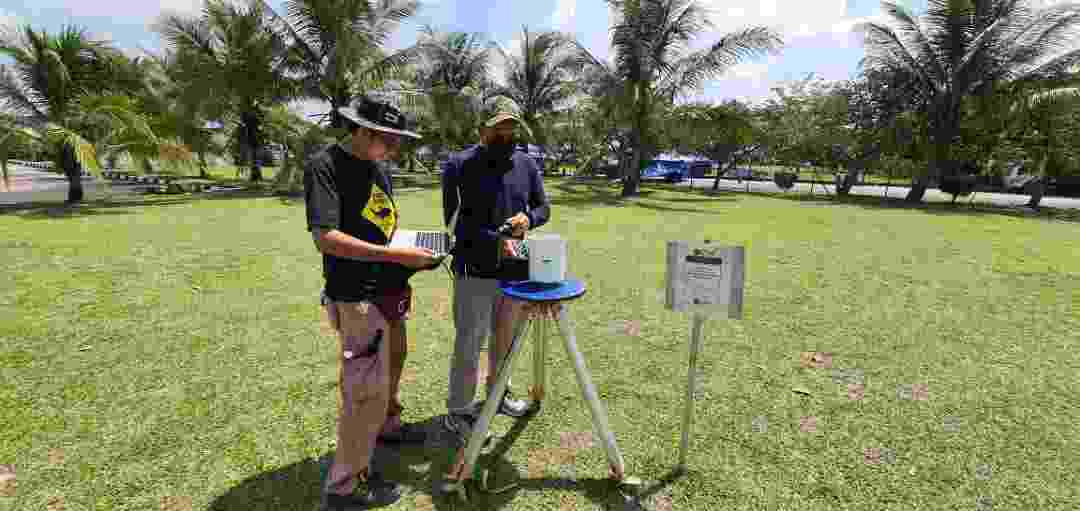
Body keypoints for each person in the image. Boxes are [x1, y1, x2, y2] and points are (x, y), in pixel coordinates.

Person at [304, 95, 439, 510]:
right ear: (361, 131)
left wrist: (409, 249)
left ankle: (374, 444)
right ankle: (342, 488)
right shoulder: (324, 166)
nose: (396, 150)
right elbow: (326, 238)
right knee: (363, 391)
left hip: (388, 286)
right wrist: (397, 256)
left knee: (384, 377)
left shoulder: (379, 167)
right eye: (389, 140)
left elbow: (380, 225)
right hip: (356, 294)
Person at [440, 112, 551, 438]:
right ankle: (458, 411)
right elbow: (454, 223)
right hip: (473, 269)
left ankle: (498, 394)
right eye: (498, 128)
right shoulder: (458, 165)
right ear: (482, 129)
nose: (506, 133)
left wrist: (529, 219)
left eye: (511, 127)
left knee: (506, 340)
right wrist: (496, 241)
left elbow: (544, 207)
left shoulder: (526, 164)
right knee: (469, 342)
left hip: (515, 272)